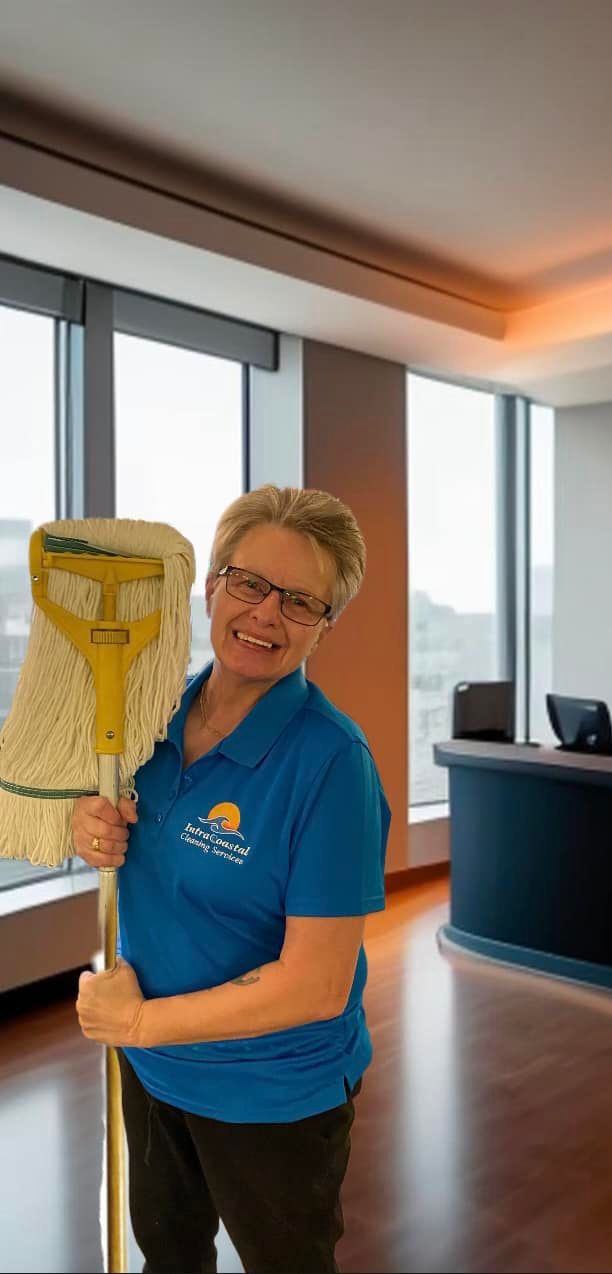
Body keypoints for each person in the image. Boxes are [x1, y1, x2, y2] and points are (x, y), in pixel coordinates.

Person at [73, 485, 390, 1274]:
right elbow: (139, 854)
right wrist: (90, 829)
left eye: (300, 601)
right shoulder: (149, 718)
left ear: (325, 625)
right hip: (154, 1071)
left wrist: (140, 1024)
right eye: (248, 583)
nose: (265, 614)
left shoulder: (331, 766)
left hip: (270, 1092)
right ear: (212, 586)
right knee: (169, 1257)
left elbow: (315, 987)